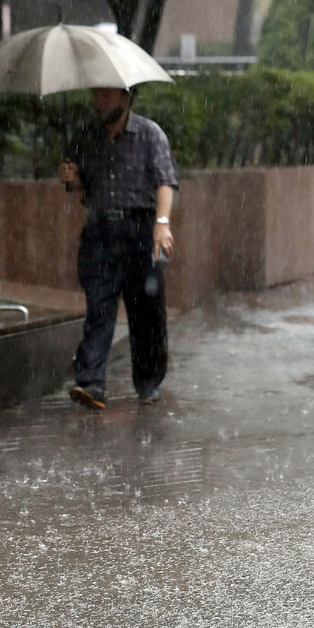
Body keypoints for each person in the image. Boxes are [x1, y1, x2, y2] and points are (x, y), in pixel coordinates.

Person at [58, 86, 178, 410]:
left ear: (125, 98)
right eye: (96, 95)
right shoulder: (86, 134)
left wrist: (161, 223)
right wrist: (71, 178)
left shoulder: (150, 134)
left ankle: (148, 381)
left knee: (146, 314)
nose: (100, 102)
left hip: (140, 230)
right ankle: (90, 382)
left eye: (107, 95)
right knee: (99, 308)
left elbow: (165, 181)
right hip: (100, 230)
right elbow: (81, 184)